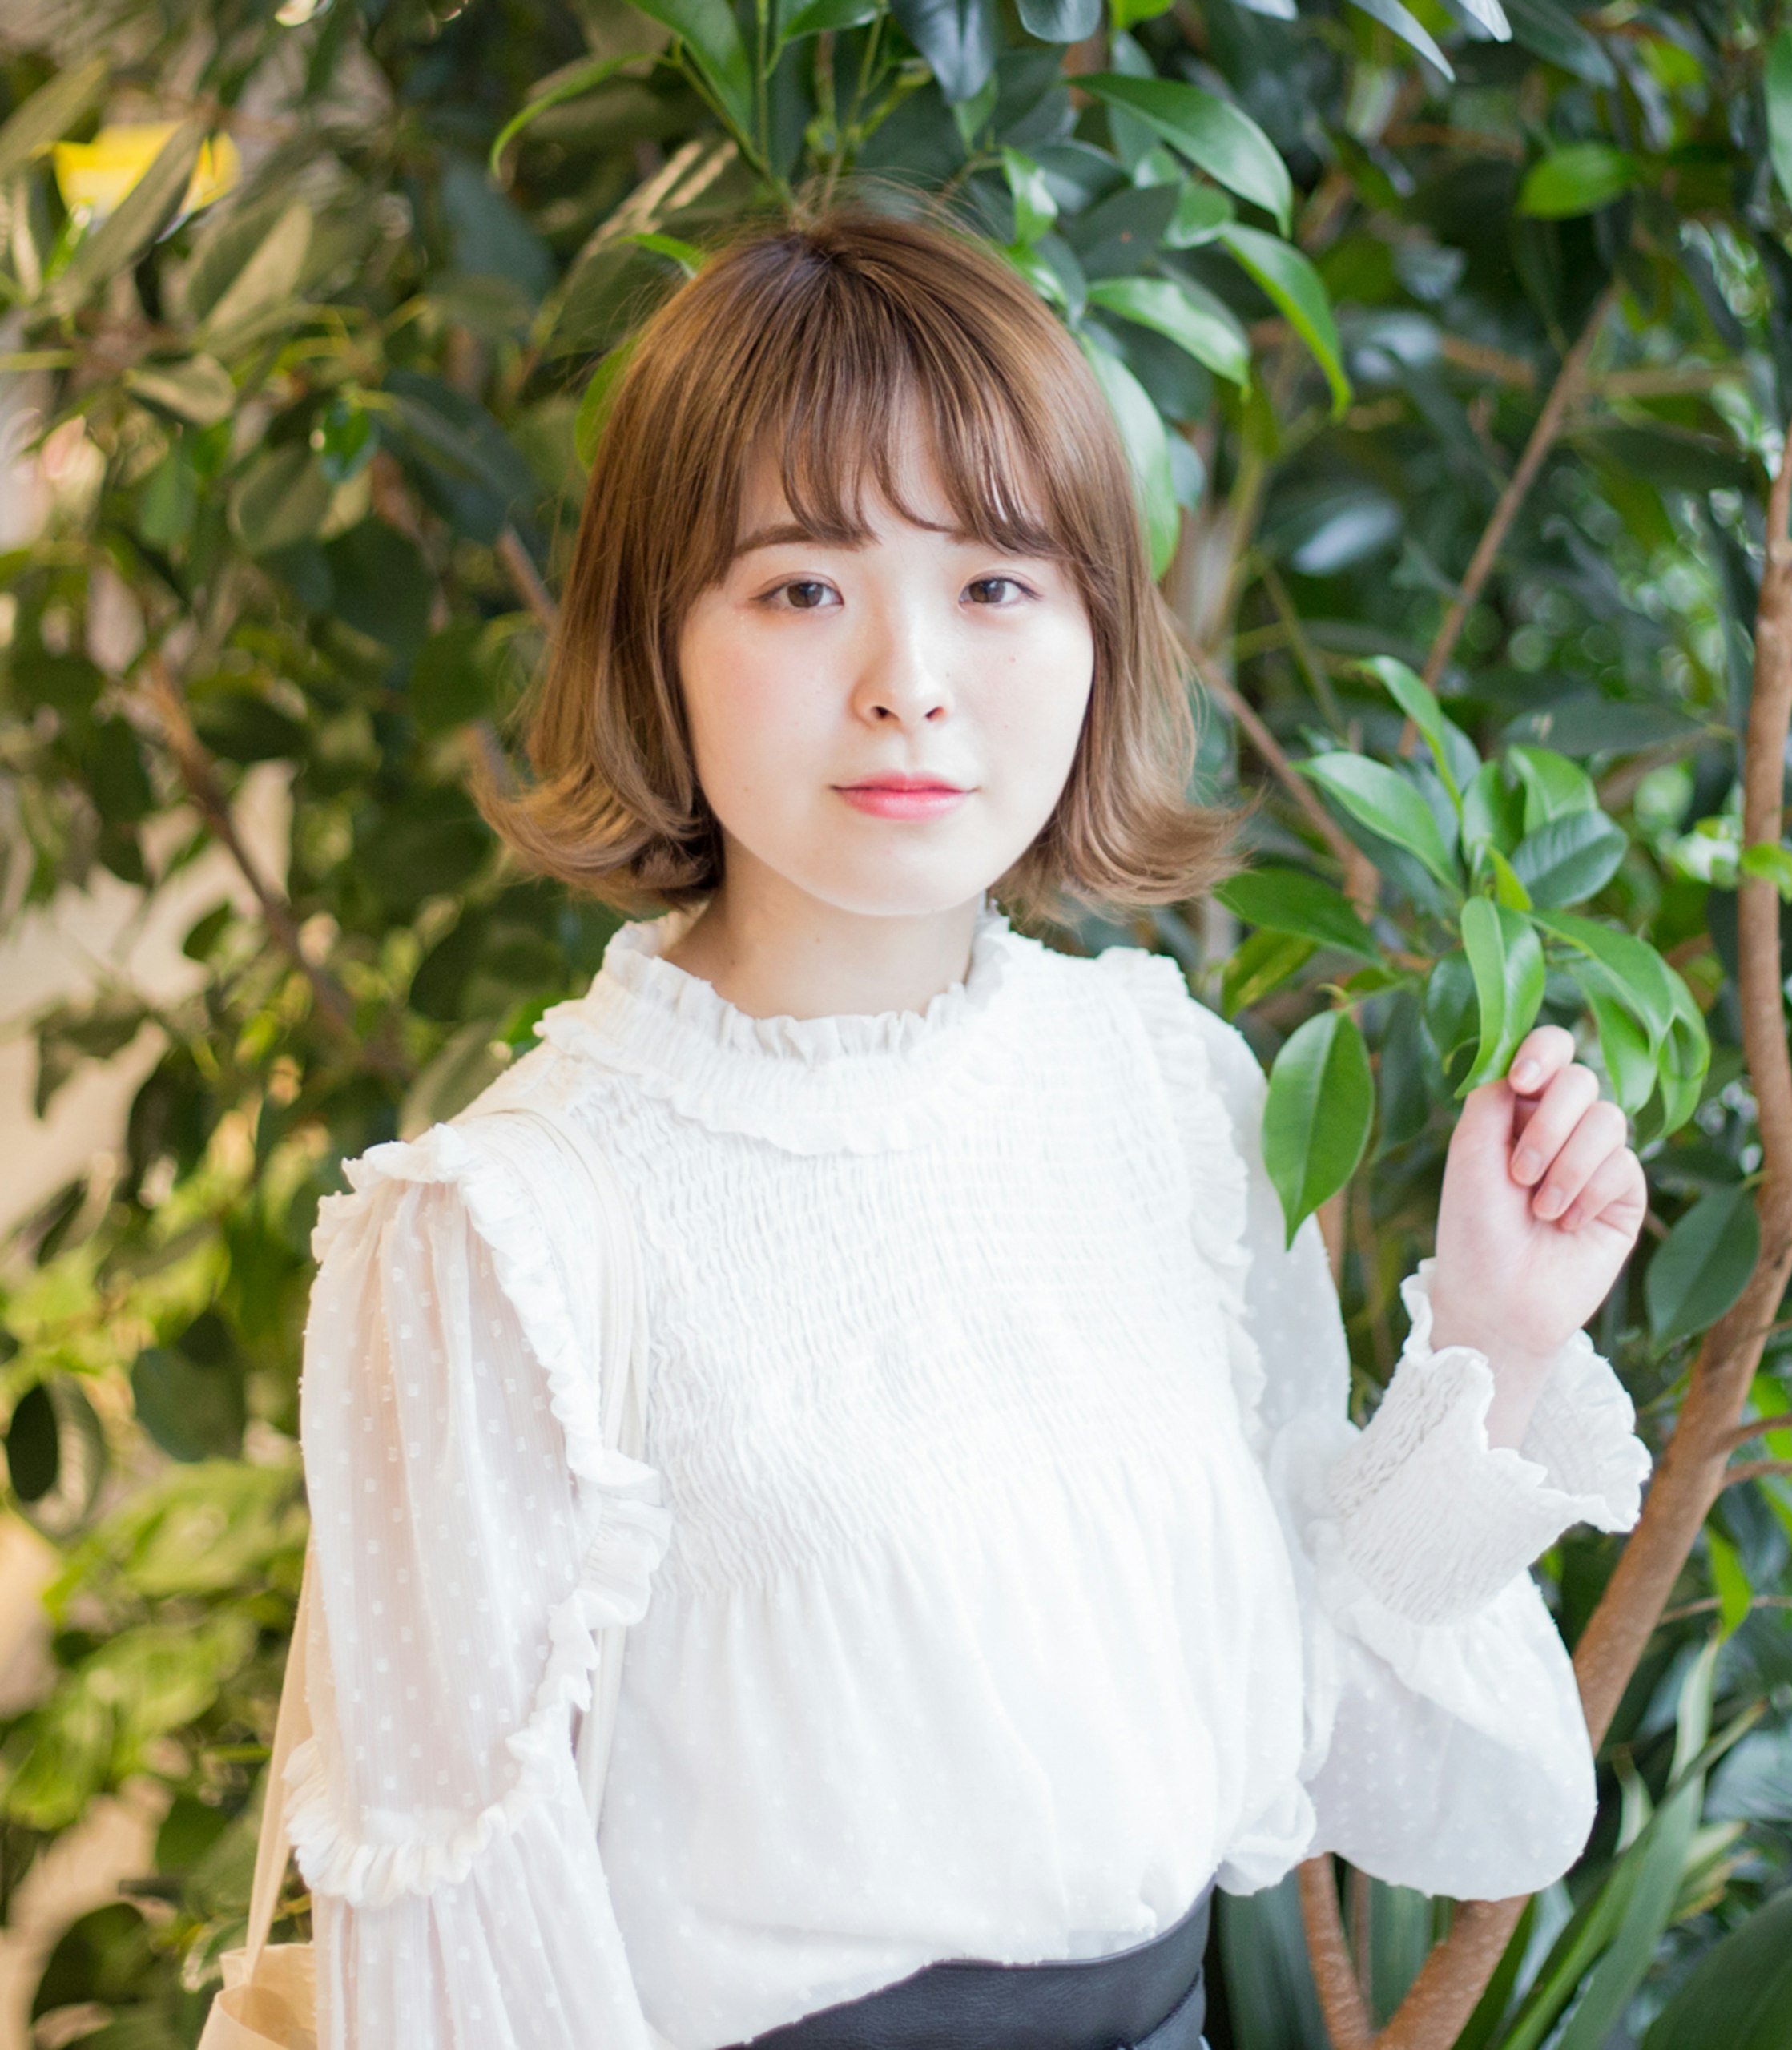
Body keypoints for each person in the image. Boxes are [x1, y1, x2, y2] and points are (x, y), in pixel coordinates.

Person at [284, 197, 1653, 2049]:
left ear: (1094, 623)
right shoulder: (506, 1236)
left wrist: (1493, 1341)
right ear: (657, 643)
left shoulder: (1169, 1093)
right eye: (800, 586)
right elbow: (465, 1972)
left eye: (996, 582)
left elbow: (1393, 1765)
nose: (909, 678)